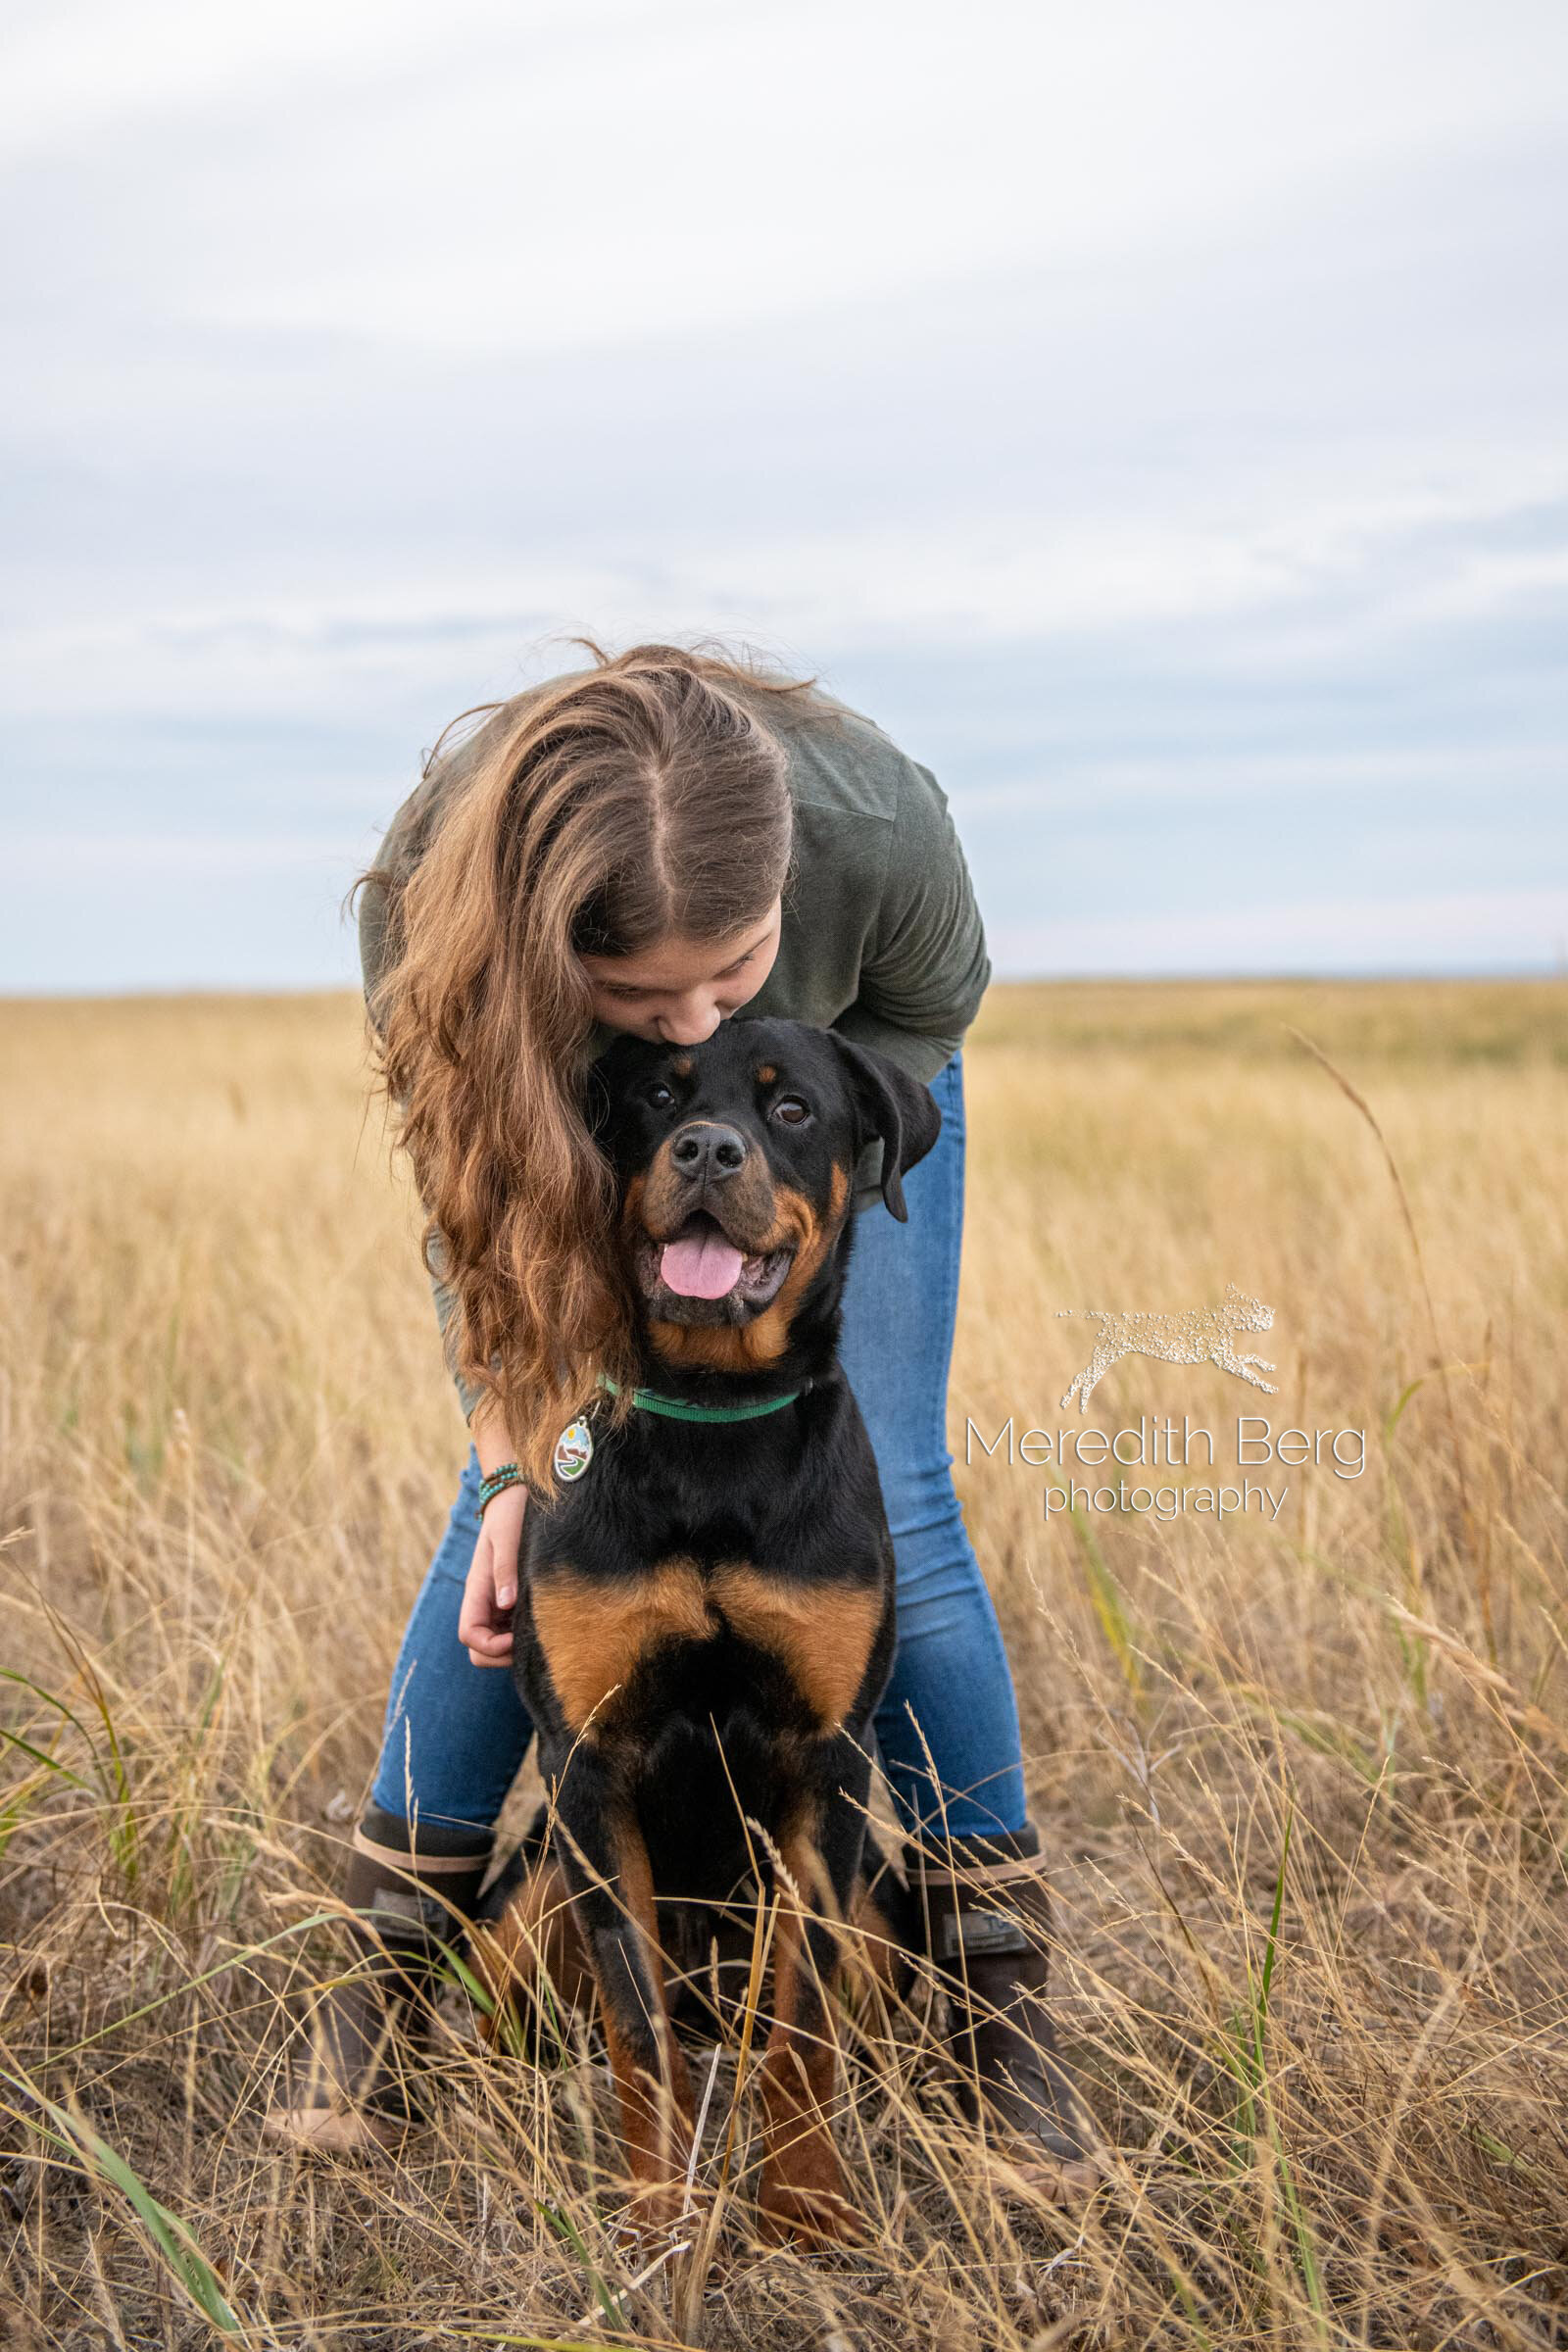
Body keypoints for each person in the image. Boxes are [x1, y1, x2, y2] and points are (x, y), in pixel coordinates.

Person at [265, 636, 1098, 2196]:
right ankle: (379, 1982)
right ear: (554, 943)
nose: (697, 1013)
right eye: (644, 992)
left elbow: (910, 1062)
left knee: (897, 1478)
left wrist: (825, 1174)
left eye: (734, 966)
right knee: (512, 1500)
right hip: (570, 1125)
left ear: (791, 881)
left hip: (827, 1105)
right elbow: (478, 1209)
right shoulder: (431, 915)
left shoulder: (885, 840)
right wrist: (521, 1448)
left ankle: (1001, 1996)